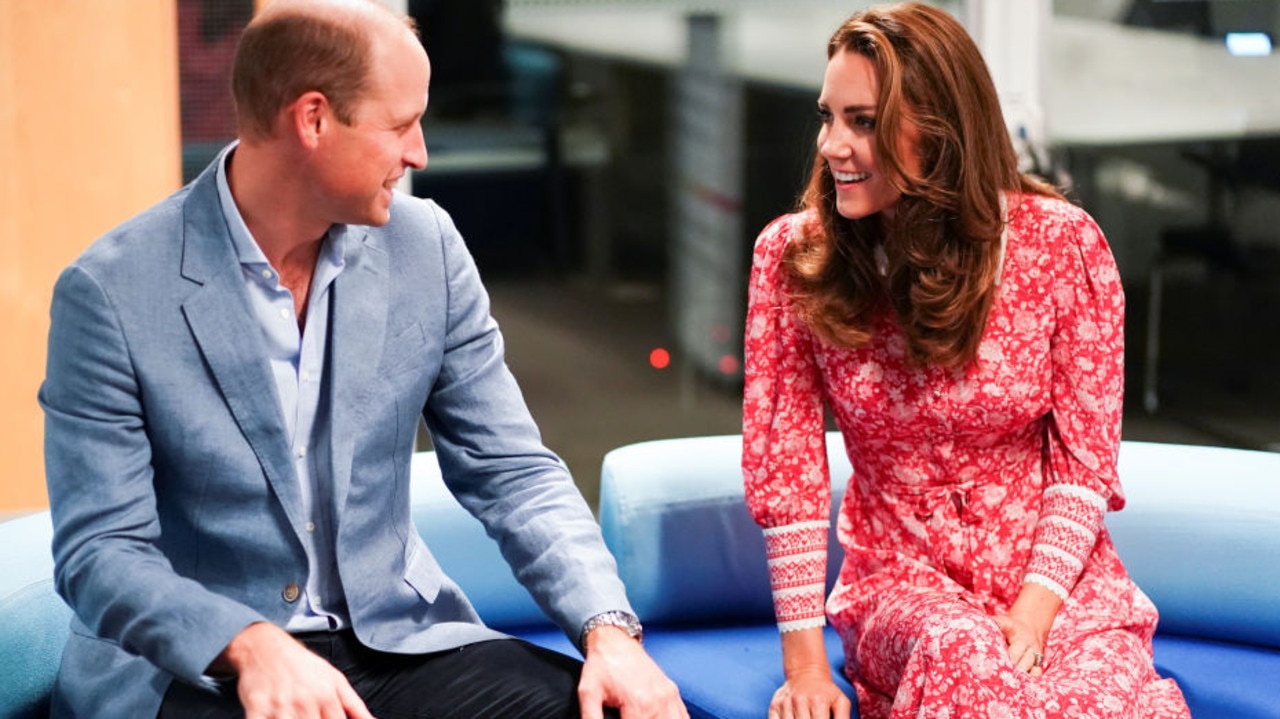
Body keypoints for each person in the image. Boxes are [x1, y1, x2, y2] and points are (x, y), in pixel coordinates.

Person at [39, 1, 686, 717]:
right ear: (313, 120)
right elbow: (102, 551)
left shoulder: (427, 247)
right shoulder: (111, 291)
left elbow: (513, 472)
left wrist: (609, 629)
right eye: (402, 124)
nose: (420, 153)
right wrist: (251, 642)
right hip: (197, 671)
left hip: (395, 644)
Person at [741, 4, 1191, 718]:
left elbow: (1082, 469)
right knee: (964, 657)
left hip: (1057, 589)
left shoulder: (1062, 247)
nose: (830, 145)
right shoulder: (792, 259)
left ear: (941, 134)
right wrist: (805, 668)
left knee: (1103, 702)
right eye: (827, 117)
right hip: (903, 589)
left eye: (862, 122)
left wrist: (1035, 616)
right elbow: (788, 477)